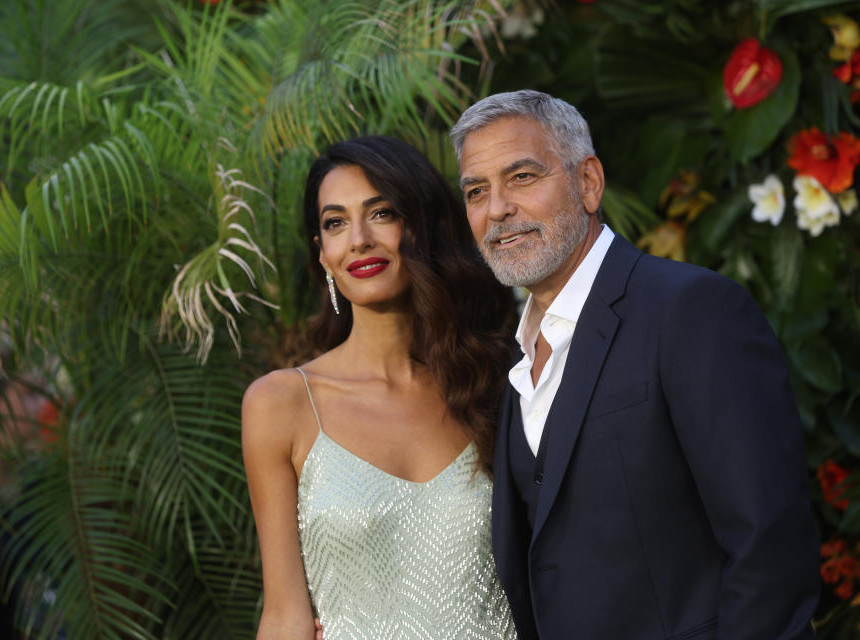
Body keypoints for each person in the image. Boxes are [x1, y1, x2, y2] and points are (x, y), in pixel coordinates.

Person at [450, 90, 821, 640]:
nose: (496, 208)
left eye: (522, 177)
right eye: (476, 191)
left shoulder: (690, 309)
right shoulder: (510, 357)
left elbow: (769, 547)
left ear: (589, 183)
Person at [241, 135, 518, 639]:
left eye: (382, 213)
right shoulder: (281, 404)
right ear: (323, 254)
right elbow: (285, 615)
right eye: (335, 223)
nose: (359, 239)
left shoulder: (497, 384)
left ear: (422, 228)